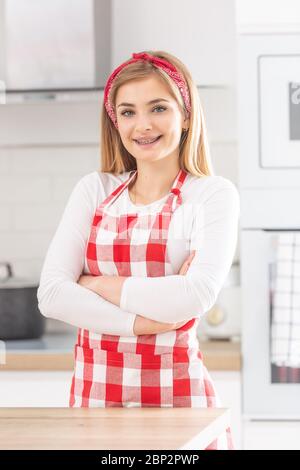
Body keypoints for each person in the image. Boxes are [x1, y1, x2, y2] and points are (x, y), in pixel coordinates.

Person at [37, 50, 240, 450]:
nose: (142, 125)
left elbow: (193, 296)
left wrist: (94, 283)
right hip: (95, 408)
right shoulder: (94, 189)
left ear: (185, 114)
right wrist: (146, 323)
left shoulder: (210, 195)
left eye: (158, 108)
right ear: (115, 121)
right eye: (127, 112)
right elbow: (52, 296)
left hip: (181, 409)